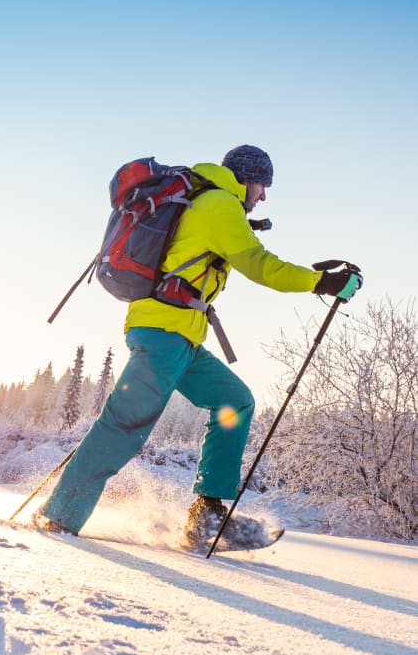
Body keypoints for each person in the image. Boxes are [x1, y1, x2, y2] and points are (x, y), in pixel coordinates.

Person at [36, 145, 362, 546]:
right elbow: (260, 265)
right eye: (262, 185)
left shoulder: (212, 203)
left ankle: (205, 516)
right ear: (245, 178)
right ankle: (57, 521)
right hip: (163, 335)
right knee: (122, 428)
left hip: (181, 337)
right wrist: (320, 283)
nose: (263, 195)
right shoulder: (218, 205)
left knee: (234, 401)